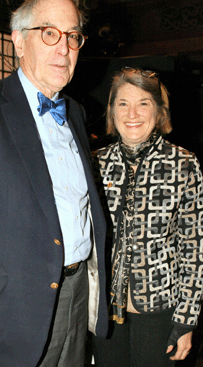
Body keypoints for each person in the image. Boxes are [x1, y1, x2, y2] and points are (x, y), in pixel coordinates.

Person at [0, 0, 108, 367]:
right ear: (18, 40)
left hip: (76, 294)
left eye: (73, 37)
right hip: (9, 308)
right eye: (49, 33)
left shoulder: (77, 113)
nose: (64, 48)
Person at [92, 67, 203, 367]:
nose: (132, 113)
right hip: (104, 312)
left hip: (159, 310)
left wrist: (186, 321)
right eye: (123, 103)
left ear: (159, 111)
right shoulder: (95, 163)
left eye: (143, 102)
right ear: (111, 111)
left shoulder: (185, 164)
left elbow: (194, 249)